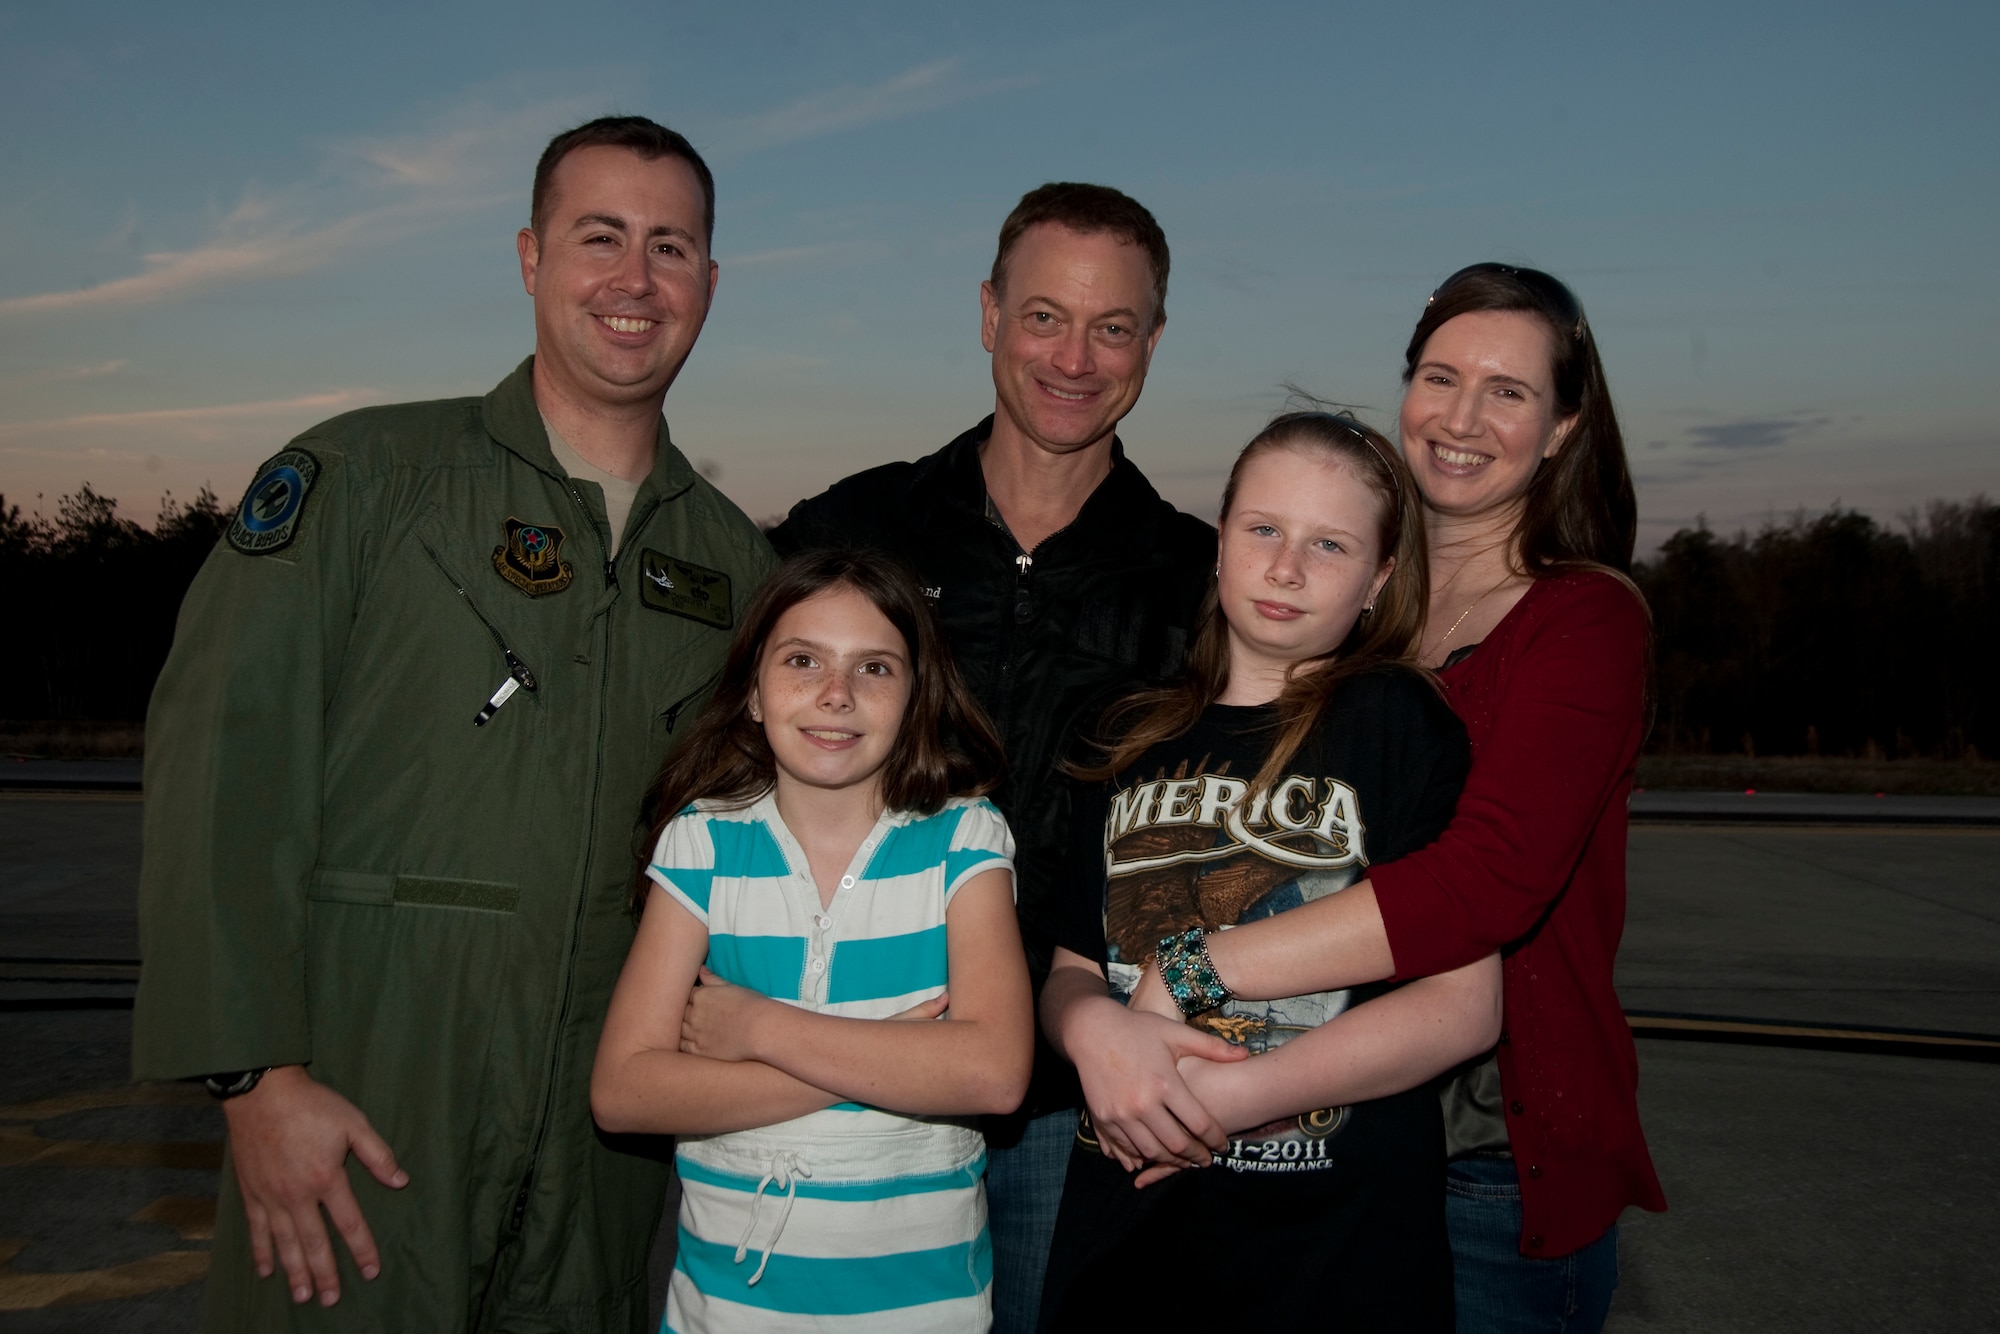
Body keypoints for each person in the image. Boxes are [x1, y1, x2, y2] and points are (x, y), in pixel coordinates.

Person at [131, 116, 776, 1331]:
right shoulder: (367, 481)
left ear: (708, 283)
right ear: (530, 257)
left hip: (604, 1140)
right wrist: (253, 1079)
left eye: (670, 248)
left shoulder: (737, 564)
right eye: (600, 238)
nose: (634, 281)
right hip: (368, 1096)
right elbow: (227, 762)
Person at [1125, 264, 1667, 1332]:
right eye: (1438, 376)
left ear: (1561, 425)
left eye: (1508, 391)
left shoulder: (1582, 623)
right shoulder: (1347, 608)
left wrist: (1187, 968)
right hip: (1314, 1136)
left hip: (1480, 1158)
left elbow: (1485, 881)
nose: (1462, 418)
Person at [766, 182, 1215, 1330]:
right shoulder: (849, 533)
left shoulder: (1197, 583)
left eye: (1112, 326)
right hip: (842, 1080)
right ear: (985, 314)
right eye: (1042, 316)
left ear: (1151, 342)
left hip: (1077, 1116)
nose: (1075, 356)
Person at [1037, 412, 1500, 1330]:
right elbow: (1071, 971)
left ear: (1379, 580)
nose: (1287, 567)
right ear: (1218, 545)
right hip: (1127, 1241)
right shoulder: (1117, 734)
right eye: (1264, 530)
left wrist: (1228, 1097)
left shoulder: (1398, 723)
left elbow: (1463, 1004)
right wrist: (1092, 1033)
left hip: (1332, 1255)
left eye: (1329, 544)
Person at [591, 549, 1033, 1331]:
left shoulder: (965, 838)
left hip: (925, 1312)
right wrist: (888, 1058)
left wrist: (760, 1029)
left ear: (915, 697)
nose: (835, 695)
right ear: (755, 692)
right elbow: (624, 1093)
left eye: (874, 668)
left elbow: (992, 1075)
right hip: (725, 1312)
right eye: (803, 661)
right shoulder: (703, 843)